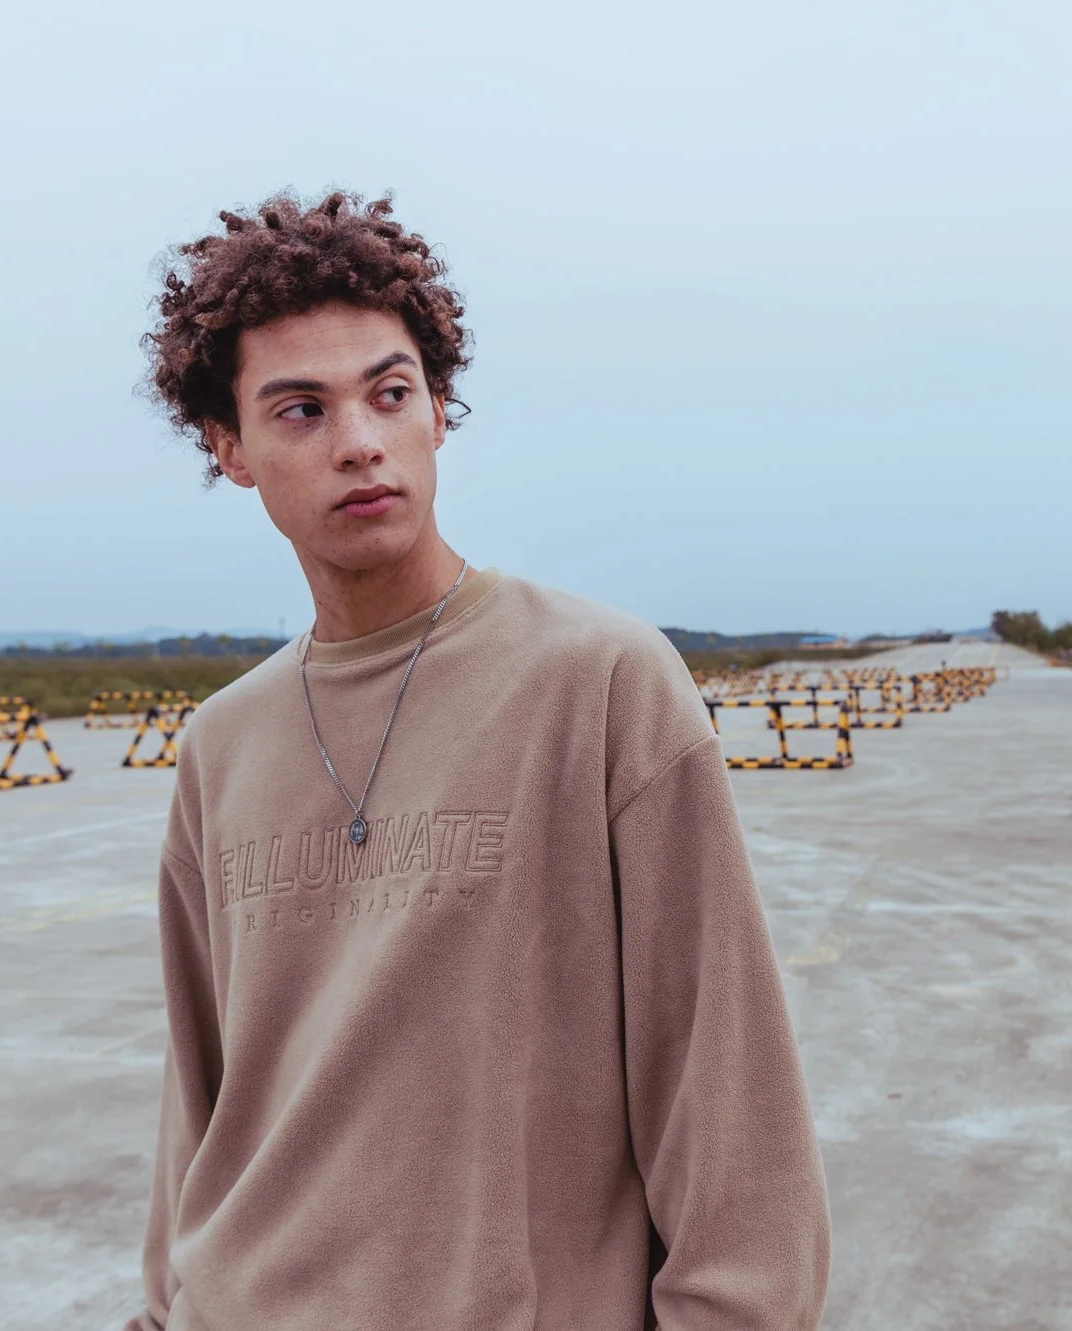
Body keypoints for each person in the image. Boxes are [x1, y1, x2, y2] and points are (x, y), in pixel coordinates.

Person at [130, 191, 829, 1330]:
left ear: (439, 410)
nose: (359, 439)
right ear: (230, 449)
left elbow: (725, 1086)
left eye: (388, 393)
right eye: (299, 408)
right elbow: (200, 1094)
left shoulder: (600, 680)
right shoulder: (222, 741)